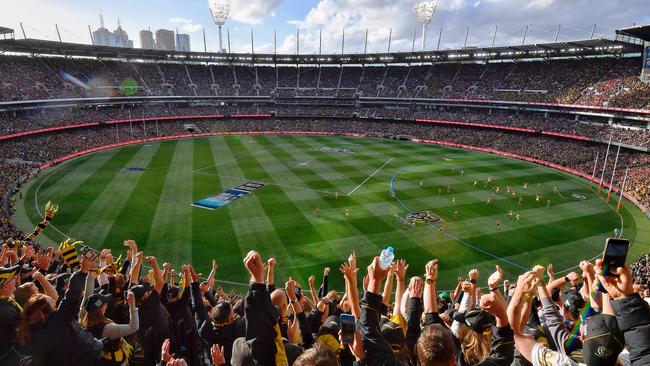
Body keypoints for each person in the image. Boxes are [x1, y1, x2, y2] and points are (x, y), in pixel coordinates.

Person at [16, 252, 104, 366]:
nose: (53, 300)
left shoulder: (33, 332)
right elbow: (71, 296)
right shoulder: (57, 322)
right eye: (50, 301)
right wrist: (82, 271)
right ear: (44, 311)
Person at [80, 290, 139, 365]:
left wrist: (90, 278)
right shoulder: (107, 328)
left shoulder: (82, 321)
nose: (107, 305)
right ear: (101, 308)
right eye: (105, 304)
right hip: (112, 362)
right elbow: (134, 327)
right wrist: (132, 306)